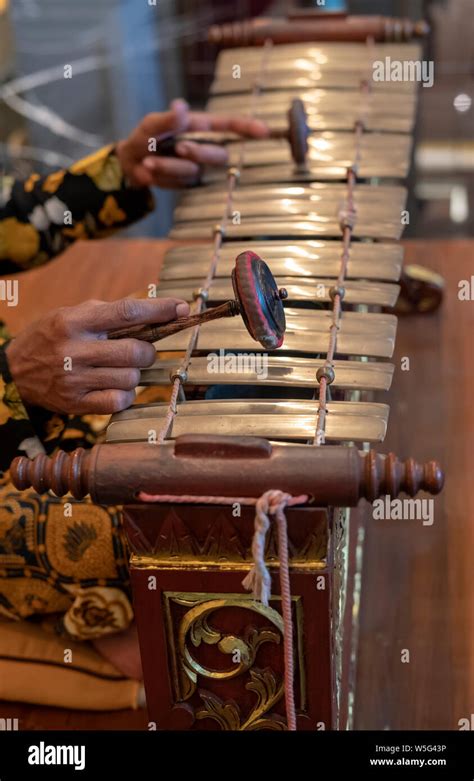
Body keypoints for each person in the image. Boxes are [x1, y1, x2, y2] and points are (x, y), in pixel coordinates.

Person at [0, 100, 268, 675]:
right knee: (136, 534)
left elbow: (11, 218)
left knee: (196, 431)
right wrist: (11, 377)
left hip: (21, 415)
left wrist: (123, 170)